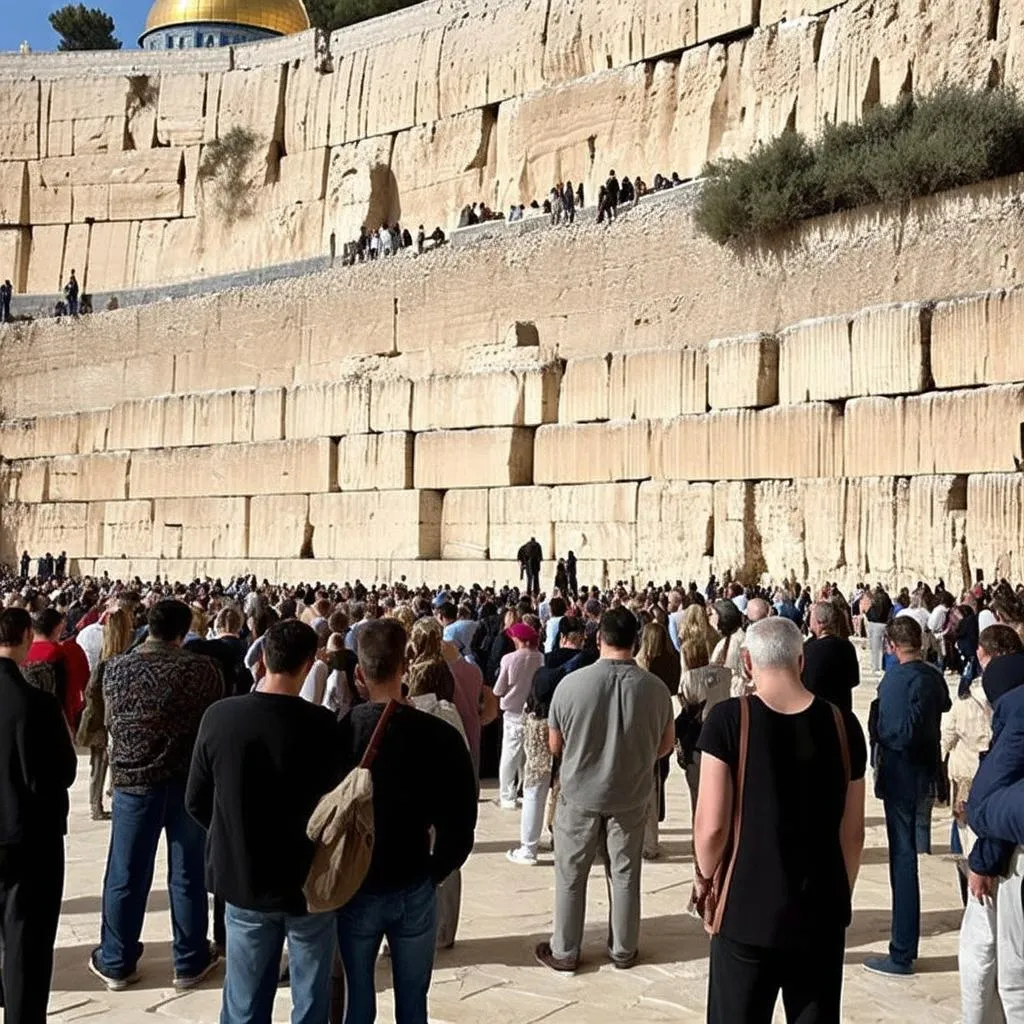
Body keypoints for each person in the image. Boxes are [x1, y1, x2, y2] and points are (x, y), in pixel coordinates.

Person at [694, 617, 866, 1023]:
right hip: (820, 910)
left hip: (746, 908)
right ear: (801, 660)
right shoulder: (844, 724)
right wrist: (841, 892)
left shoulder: (728, 720)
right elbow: (853, 833)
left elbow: (712, 825)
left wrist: (704, 880)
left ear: (747, 662)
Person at [186, 620, 343, 1024]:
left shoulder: (220, 718)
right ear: (308, 665)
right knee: (311, 1000)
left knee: (244, 1001)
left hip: (245, 877)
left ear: (262, 659)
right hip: (310, 881)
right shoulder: (325, 727)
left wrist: (233, 833)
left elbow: (196, 801)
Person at [336, 619, 477, 1024]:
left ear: (359, 673)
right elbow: (462, 816)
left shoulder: (341, 734)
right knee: (413, 1002)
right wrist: (436, 870)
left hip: (358, 884)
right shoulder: (438, 735)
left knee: (357, 1000)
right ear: (407, 664)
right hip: (415, 880)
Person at [90, 599, 223, 991]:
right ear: (184, 632)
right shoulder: (204, 670)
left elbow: (109, 719)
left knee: (126, 873)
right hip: (187, 783)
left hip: (134, 784)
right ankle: (190, 959)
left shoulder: (115, 669)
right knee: (188, 875)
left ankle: (116, 960)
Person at [535, 607, 674, 972]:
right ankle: (623, 949)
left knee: (571, 872)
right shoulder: (656, 690)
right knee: (625, 872)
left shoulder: (571, 685)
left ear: (599, 640)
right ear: (636, 641)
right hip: (630, 793)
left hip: (580, 792)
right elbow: (665, 745)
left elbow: (555, 744)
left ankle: (565, 950)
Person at [0, 607, 77, 1024]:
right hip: (28, 840)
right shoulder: (38, 704)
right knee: (26, 943)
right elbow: (63, 773)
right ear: (27, 637)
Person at [866, 616, 951, 977]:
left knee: (902, 861)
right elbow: (944, 705)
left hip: (902, 776)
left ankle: (902, 952)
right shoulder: (931, 675)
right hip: (926, 773)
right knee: (910, 853)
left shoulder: (894, 681)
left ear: (890, 645)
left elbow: (893, 731)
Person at [963, 637, 1024, 1024]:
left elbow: (987, 801)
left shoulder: (1015, 712)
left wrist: (984, 857)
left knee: (1014, 975)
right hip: (1003, 846)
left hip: (1012, 856)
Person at [507, 617, 589, 866]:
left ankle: (528, 848)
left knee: (535, 787)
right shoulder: (589, 661)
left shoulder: (548, 660)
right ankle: (567, 842)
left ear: (562, 637)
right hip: (576, 726)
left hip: (542, 724)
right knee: (569, 786)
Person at [76, 608, 134, 821]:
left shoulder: (105, 662)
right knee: (101, 765)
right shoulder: (118, 663)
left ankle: (97, 804)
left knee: (99, 765)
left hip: (102, 718)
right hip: (106, 720)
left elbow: (91, 690)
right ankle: (98, 805)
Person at [636, 622, 680, 860]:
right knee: (655, 783)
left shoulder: (638, 666)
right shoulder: (671, 662)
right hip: (663, 722)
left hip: (641, 727)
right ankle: (650, 842)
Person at [493, 622, 544, 809]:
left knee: (509, 754)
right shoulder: (540, 658)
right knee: (527, 755)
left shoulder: (509, 659)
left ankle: (507, 795)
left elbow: (499, 688)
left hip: (512, 713)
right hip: (531, 712)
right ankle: (525, 791)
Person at [802, 601, 861, 711]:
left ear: (820, 622)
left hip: (816, 712)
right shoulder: (847, 647)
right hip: (841, 709)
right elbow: (854, 680)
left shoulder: (808, 649)